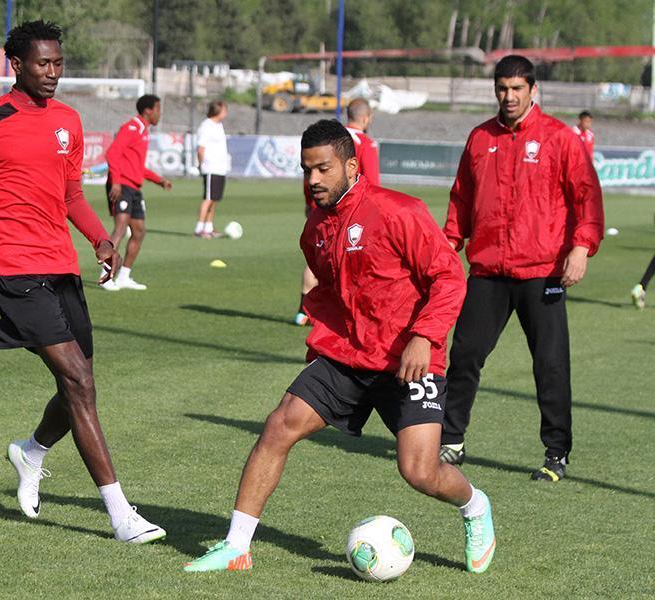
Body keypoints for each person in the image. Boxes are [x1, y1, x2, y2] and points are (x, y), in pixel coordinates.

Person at [184, 119, 495, 574]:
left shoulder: (399, 211)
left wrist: (424, 336)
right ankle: (236, 548)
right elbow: (333, 291)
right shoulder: (315, 227)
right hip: (347, 356)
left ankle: (475, 506)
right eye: (306, 169)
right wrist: (325, 342)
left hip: (409, 359)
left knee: (420, 471)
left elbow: (448, 277)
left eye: (323, 169)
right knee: (279, 425)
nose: (312, 180)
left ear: (351, 166)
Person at [0, 20, 165, 544]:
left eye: (59, 63)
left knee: (80, 382)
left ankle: (31, 451)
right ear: (16, 65)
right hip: (9, 265)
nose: (53, 72)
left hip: (59, 264)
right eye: (43, 63)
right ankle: (121, 515)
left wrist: (100, 239)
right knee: (78, 380)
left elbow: (71, 195)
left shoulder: (68, 120)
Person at [440, 55, 604, 482]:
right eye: (502, 88)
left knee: (550, 364)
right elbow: (461, 197)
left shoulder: (559, 138)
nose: (509, 96)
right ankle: (451, 440)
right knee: (464, 355)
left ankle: (556, 453)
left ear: (533, 90)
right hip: (488, 270)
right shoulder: (480, 138)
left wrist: (581, 247)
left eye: (517, 88)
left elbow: (587, 196)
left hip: (542, 270)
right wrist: (449, 243)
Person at [101, 94, 172, 291]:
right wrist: (116, 182)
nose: (160, 113)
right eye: (158, 109)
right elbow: (112, 153)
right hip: (121, 185)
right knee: (121, 228)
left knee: (139, 231)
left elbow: (137, 167)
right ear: (148, 111)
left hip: (133, 187)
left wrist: (159, 180)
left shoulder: (143, 131)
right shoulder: (132, 127)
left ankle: (124, 276)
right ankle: (106, 276)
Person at [194, 100, 229, 238]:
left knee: (215, 199)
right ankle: (199, 228)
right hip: (210, 167)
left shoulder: (219, 125)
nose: (226, 113)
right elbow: (201, 148)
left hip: (220, 168)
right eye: (224, 110)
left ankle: (208, 226)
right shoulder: (206, 126)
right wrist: (201, 164)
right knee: (208, 198)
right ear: (217, 111)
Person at [293, 180, 318, 326]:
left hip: (317, 206)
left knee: (316, 259)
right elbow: (372, 182)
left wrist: (309, 201)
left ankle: (304, 311)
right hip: (343, 207)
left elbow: (308, 175)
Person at [345, 97, 380, 186]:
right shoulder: (366, 144)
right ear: (365, 119)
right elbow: (372, 184)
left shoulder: (331, 138)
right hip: (352, 194)